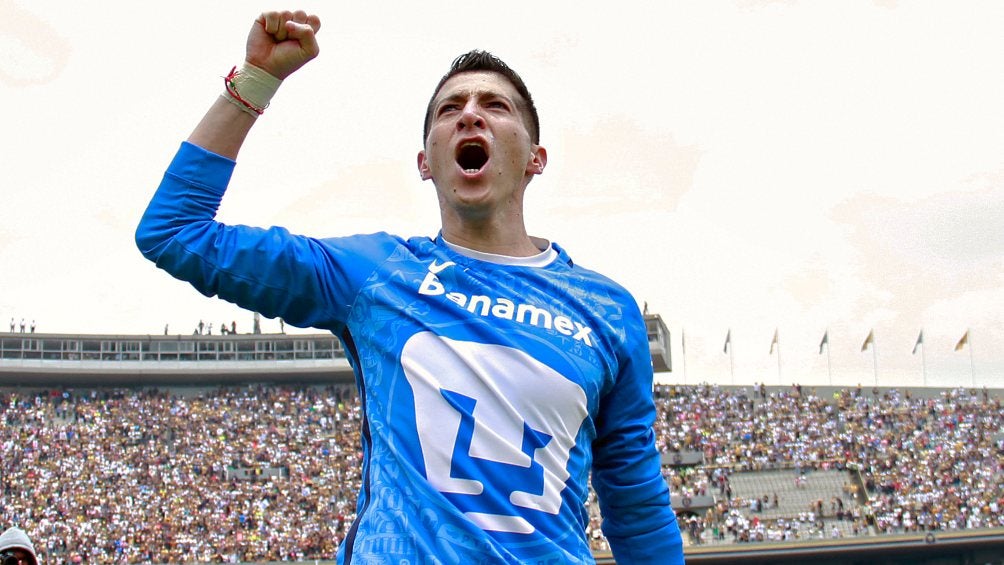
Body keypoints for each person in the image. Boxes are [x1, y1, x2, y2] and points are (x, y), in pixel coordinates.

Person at [136, 9, 682, 564]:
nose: (470, 114)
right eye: (450, 109)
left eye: (496, 106)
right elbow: (173, 232)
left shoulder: (606, 310)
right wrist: (256, 79)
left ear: (535, 159)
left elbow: (637, 507)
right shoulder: (376, 273)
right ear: (425, 162)